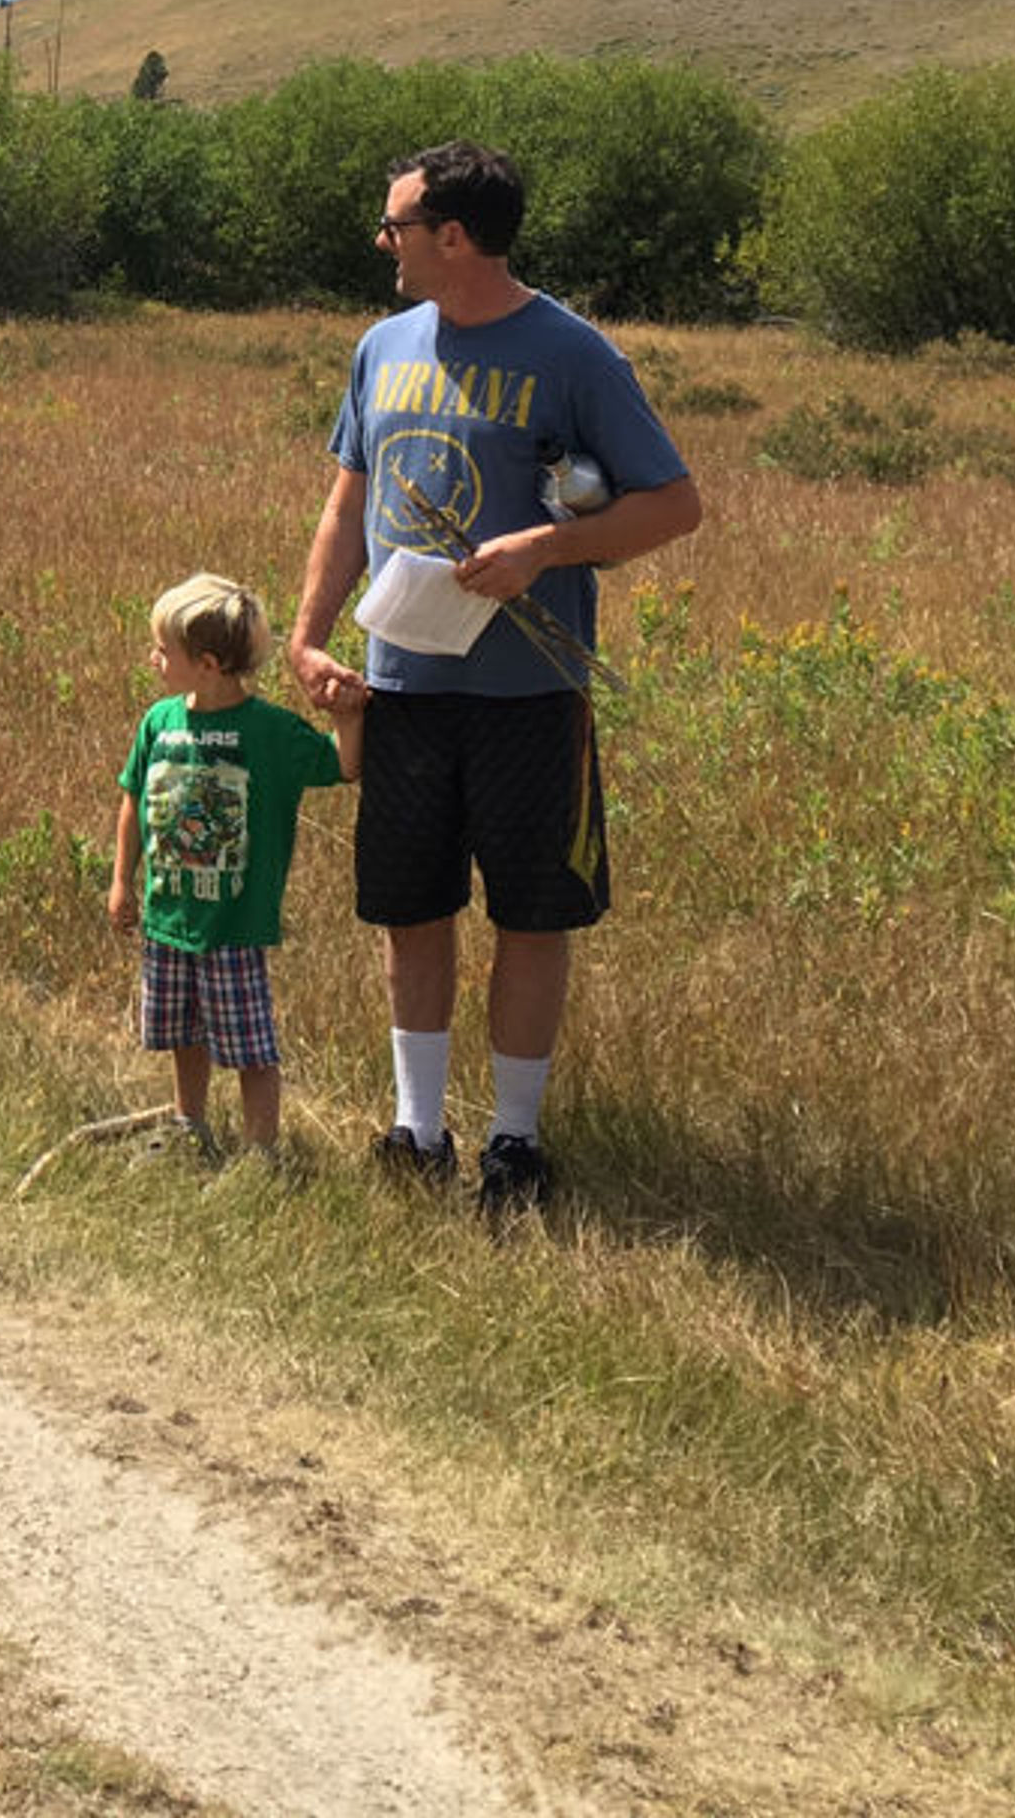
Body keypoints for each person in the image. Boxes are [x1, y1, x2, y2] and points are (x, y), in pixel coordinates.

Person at [282, 139, 703, 1218]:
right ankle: (416, 1132)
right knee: (411, 911)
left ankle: (514, 1146)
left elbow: (671, 505)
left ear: (452, 237)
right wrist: (310, 637)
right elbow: (347, 506)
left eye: (395, 227)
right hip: (402, 691)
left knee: (531, 915)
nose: (384, 243)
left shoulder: (575, 357)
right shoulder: (381, 349)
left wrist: (541, 553)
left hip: (530, 698)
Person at [114, 572, 363, 1161]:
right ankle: (187, 1126)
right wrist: (122, 881)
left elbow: (342, 767)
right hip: (170, 915)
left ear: (206, 663)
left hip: (235, 924)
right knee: (182, 1033)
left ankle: (261, 1154)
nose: (153, 659)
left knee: (250, 1047)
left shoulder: (270, 732)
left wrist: (349, 719)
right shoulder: (159, 722)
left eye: (162, 650)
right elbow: (132, 798)